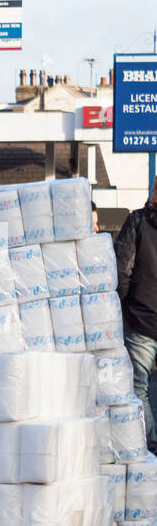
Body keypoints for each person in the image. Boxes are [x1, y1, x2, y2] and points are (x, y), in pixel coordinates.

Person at [116, 180, 157, 451]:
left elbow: (122, 269)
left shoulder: (138, 221)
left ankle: (150, 446)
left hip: (142, 319)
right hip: (142, 315)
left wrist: (120, 306)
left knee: (138, 387)